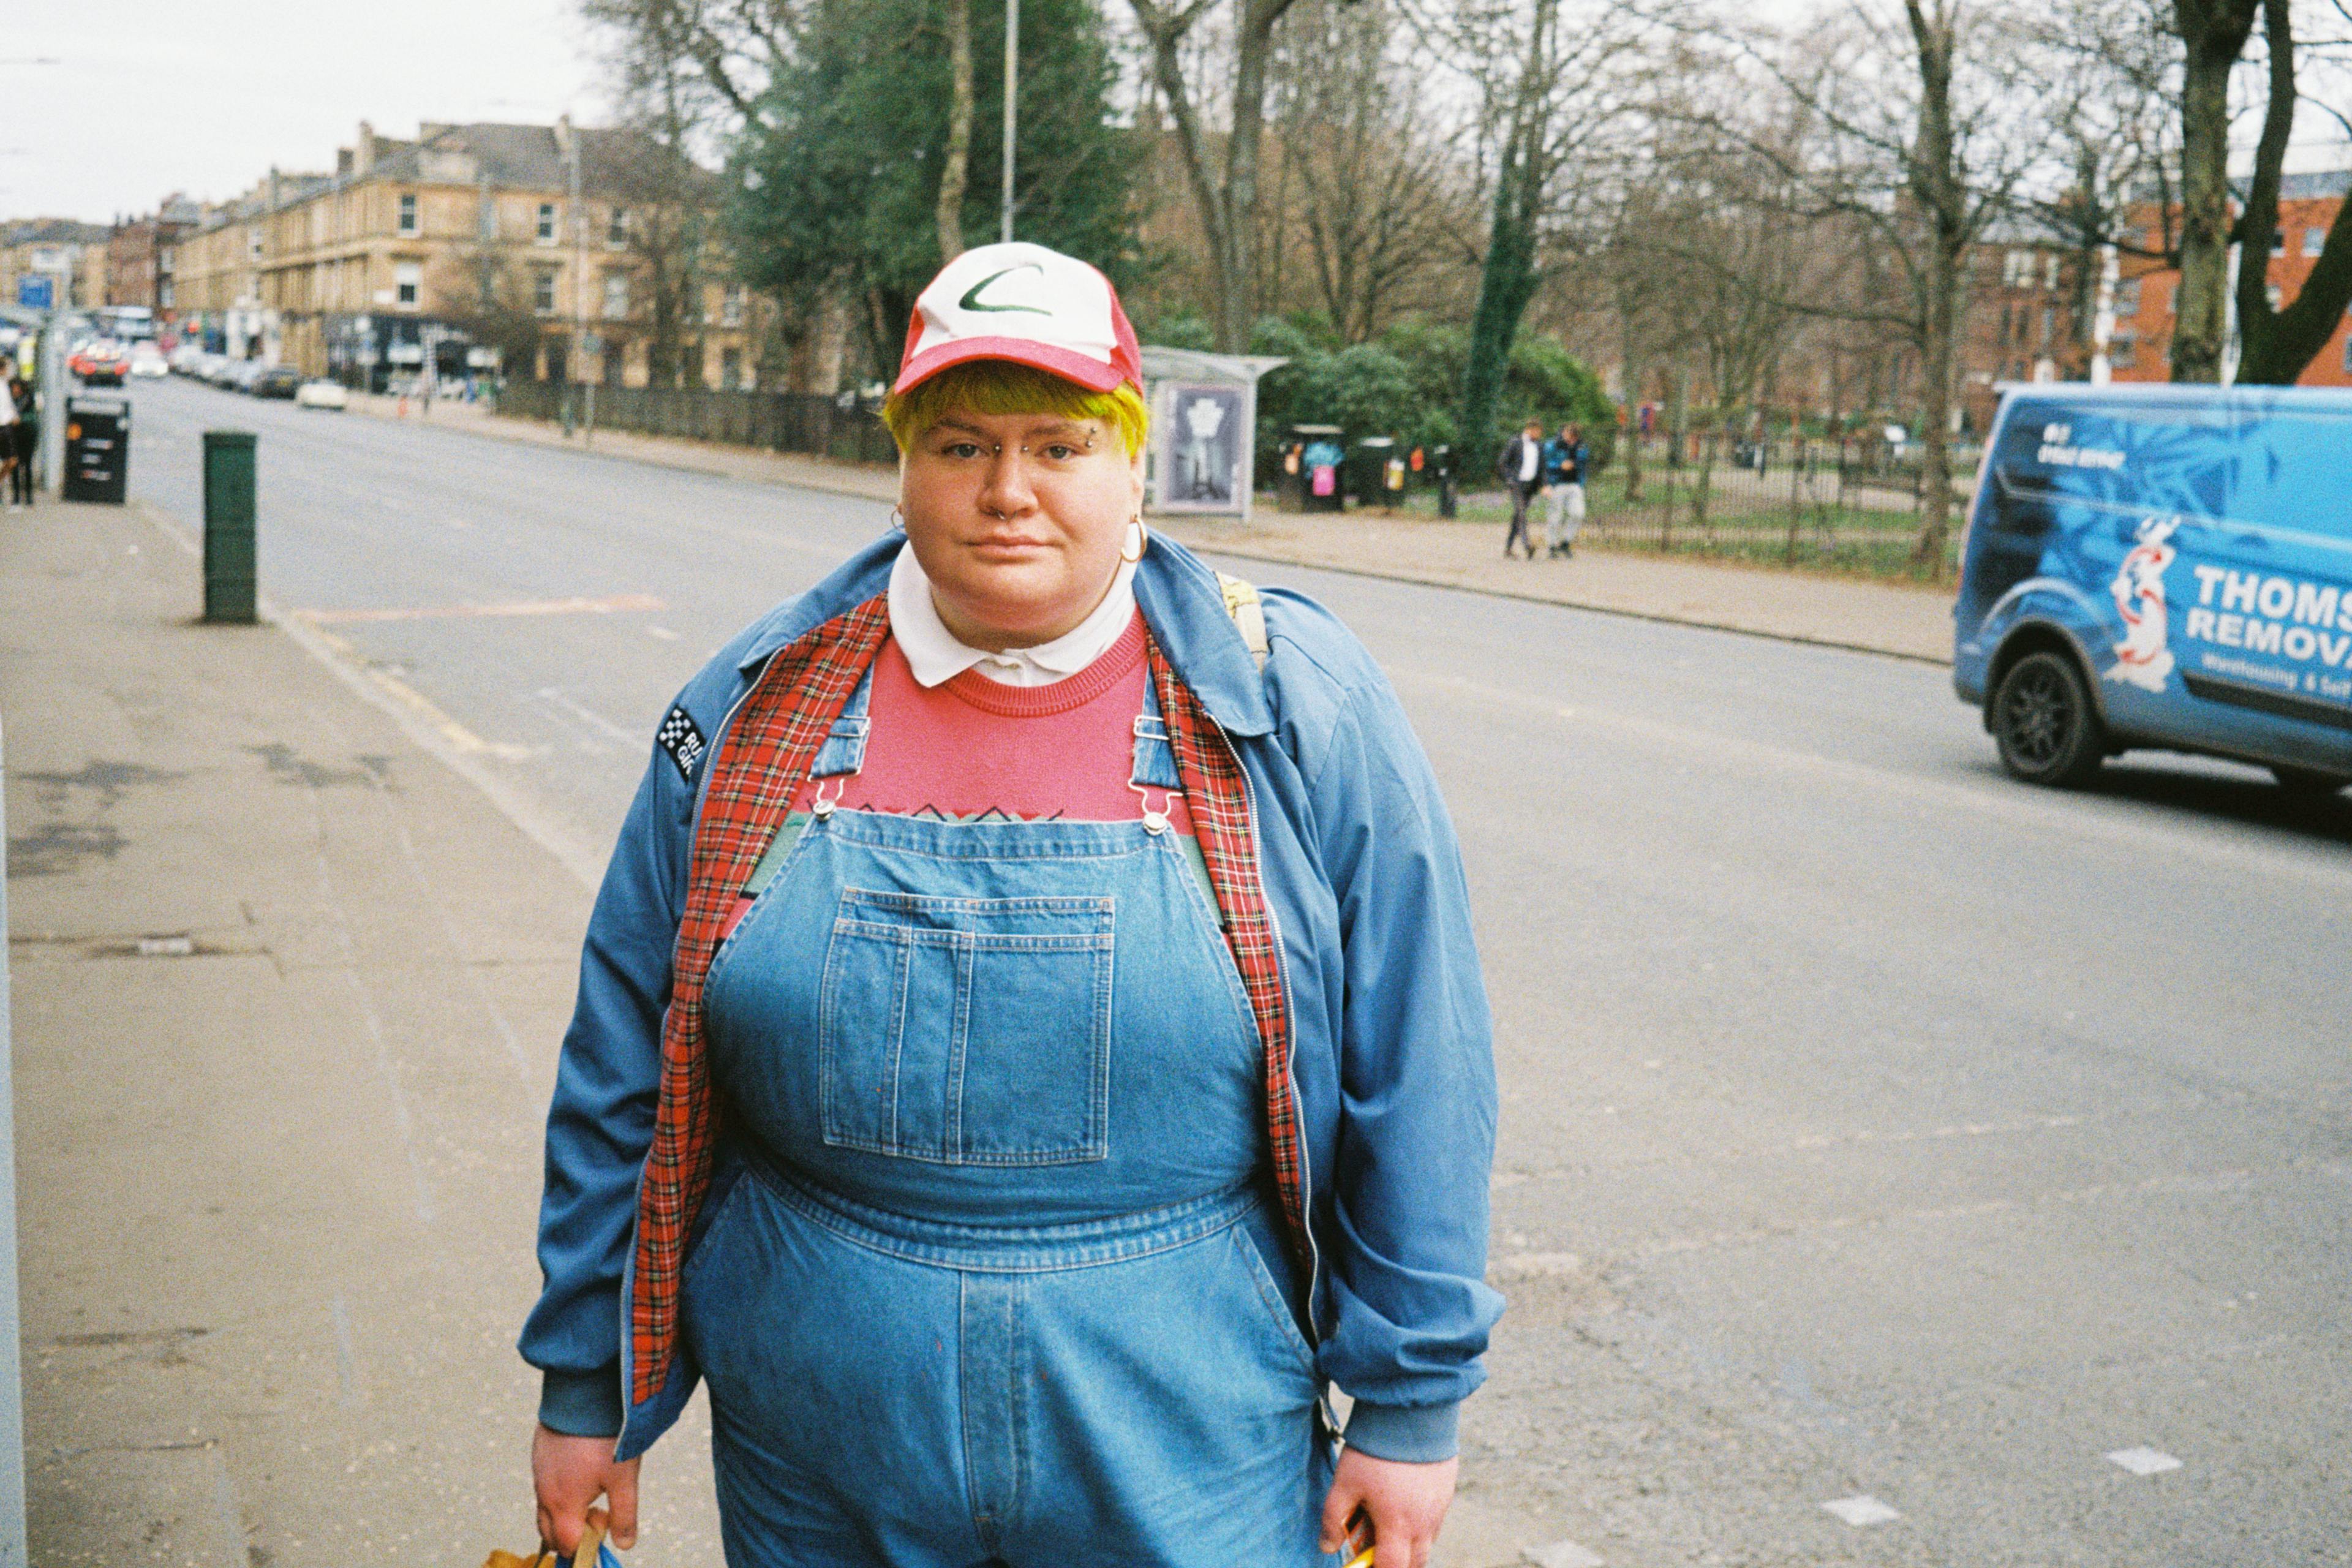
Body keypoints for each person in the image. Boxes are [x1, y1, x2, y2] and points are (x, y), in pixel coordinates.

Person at [521, 241, 1502, 1568]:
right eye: (961, 443)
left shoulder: (1291, 699)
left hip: (1187, 1433)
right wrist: (587, 1381)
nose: (1008, 493)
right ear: (904, 461)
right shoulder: (750, 709)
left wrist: (1411, 1401)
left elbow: (1419, 1062)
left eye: (1061, 445)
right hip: (821, 1438)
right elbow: (620, 1064)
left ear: (1135, 460)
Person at [1494, 417, 1544, 559]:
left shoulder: (1539, 446)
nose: (1539, 435)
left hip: (1530, 485)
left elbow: (1542, 468)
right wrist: (1510, 478)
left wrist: (1543, 485)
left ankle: (1508, 549)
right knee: (1521, 513)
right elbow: (1503, 462)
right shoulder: (1515, 443)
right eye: (1537, 432)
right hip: (1517, 484)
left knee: (1518, 516)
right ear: (1530, 430)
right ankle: (1527, 545)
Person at [1544, 423, 1588, 559]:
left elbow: (1583, 462)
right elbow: (1545, 463)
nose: (1570, 438)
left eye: (1574, 436)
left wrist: (1575, 452)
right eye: (1568, 435)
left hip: (1575, 484)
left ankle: (1565, 542)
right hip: (1557, 483)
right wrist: (1560, 466)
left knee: (1578, 514)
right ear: (1563, 433)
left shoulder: (1581, 446)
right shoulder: (1553, 445)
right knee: (1555, 516)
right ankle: (1552, 545)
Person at [0, 363, 22, 511]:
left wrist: (14, 416)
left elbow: (7, 405)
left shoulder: (4, 384)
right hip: (3, 426)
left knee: (12, 460)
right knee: (11, 459)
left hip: (7, 426)